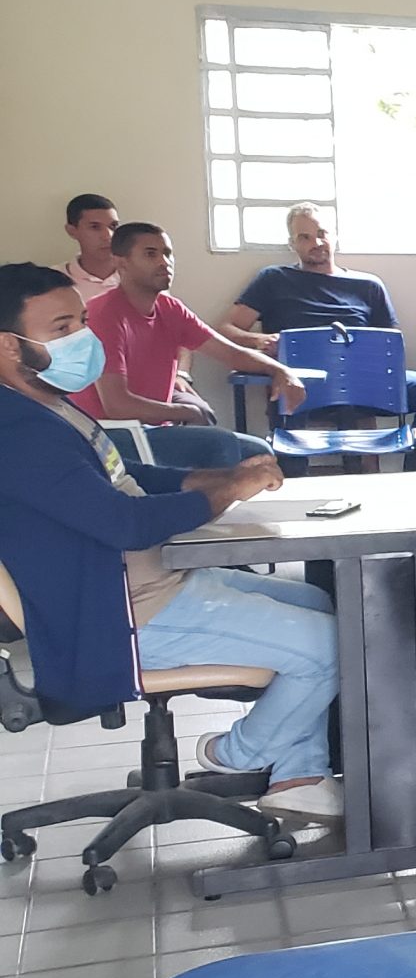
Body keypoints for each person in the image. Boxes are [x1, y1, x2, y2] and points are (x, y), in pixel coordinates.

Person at [0, 264, 340, 823]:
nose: (82, 337)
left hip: (148, 581)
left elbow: (122, 474)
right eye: (62, 328)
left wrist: (217, 477)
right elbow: (125, 524)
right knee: (328, 643)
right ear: (9, 345)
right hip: (119, 614)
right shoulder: (16, 431)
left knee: (320, 603)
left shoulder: (46, 402)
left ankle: (297, 776)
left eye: (81, 321)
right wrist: (228, 491)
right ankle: (239, 754)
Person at [219, 203, 416, 474]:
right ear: (293, 244)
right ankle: (292, 481)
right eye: (305, 237)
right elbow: (227, 329)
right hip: (301, 384)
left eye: (322, 234)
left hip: (366, 385)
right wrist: (260, 341)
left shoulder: (368, 285)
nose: (316, 243)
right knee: (288, 396)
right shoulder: (274, 279)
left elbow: (391, 344)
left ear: (334, 236)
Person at [71, 222, 303, 469]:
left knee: (258, 453)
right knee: (222, 446)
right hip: (108, 437)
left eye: (167, 253)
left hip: (151, 430)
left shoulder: (170, 309)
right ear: (121, 263)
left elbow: (232, 354)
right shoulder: (103, 315)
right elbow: (117, 406)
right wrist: (185, 411)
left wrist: (281, 371)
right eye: (150, 254)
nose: (164, 262)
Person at [58, 193, 122, 301]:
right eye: (95, 227)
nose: (108, 236)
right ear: (72, 231)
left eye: (113, 226)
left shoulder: (140, 277)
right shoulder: (53, 281)